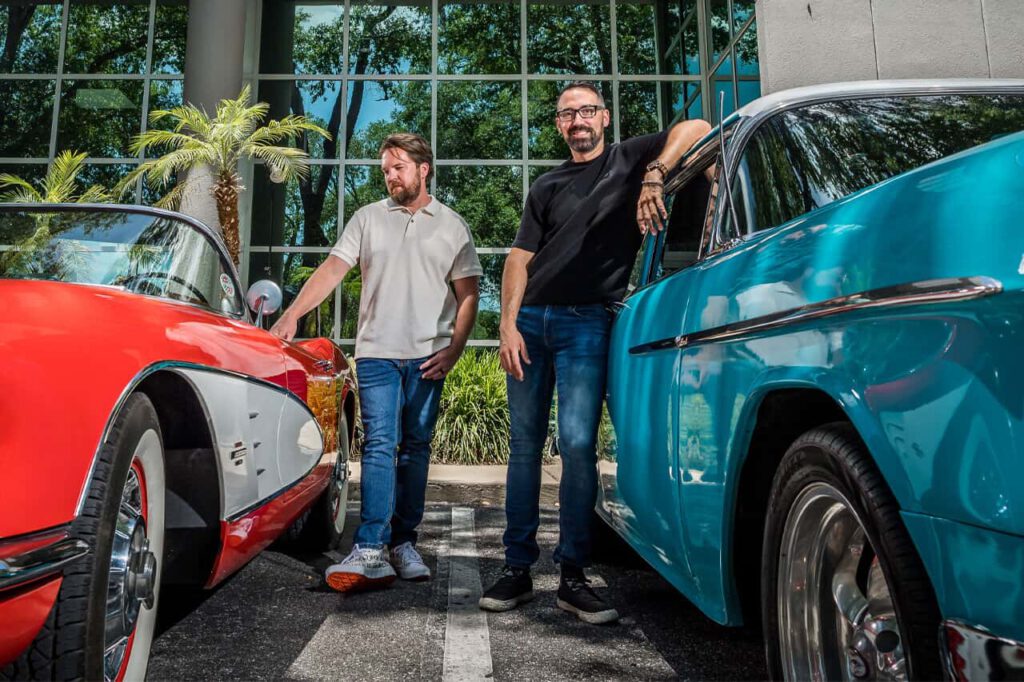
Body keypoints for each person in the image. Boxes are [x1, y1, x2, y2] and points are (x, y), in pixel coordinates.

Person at [478, 82, 711, 623]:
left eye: (586, 110)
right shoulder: (547, 184)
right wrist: (507, 325)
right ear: (559, 125)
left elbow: (699, 128)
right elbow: (518, 258)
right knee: (524, 447)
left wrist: (655, 175)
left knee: (579, 444)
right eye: (567, 114)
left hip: (587, 323)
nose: (577, 120)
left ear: (604, 117)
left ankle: (573, 576)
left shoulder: (631, 159)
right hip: (530, 322)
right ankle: (516, 568)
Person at [270, 132, 482, 592]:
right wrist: (292, 314)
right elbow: (332, 269)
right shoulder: (367, 219)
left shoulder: (452, 225)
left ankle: (403, 543)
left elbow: (469, 295)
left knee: (416, 447)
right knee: (381, 445)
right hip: (377, 354)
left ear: (423, 169)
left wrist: (454, 350)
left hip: (429, 356)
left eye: (398, 168)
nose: (390, 177)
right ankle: (370, 547)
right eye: (386, 170)